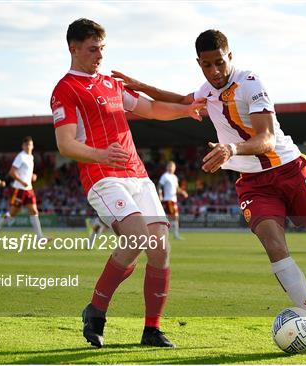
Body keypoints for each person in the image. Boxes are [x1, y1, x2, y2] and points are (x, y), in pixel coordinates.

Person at [112, 29, 306, 354]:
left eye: (219, 63)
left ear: (229, 56)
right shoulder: (207, 89)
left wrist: (230, 150)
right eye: (207, 65)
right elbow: (182, 100)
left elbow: (265, 139)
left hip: (289, 170)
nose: (215, 71)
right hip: (253, 183)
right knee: (274, 246)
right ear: (199, 64)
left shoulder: (251, 83)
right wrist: (141, 86)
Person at [50, 18, 205, 348]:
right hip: (101, 175)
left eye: (102, 49)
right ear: (73, 49)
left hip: (137, 175)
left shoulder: (111, 84)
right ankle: (96, 311)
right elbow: (65, 144)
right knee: (136, 236)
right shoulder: (65, 89)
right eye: (93, 49)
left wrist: (185, 109)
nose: (100, 56)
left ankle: (152, 330)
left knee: (160, 248)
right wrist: (101, 155)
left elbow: (149, 109)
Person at [0, 136, 45, 239]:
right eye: (26, 145)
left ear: (32, 146)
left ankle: (40, 237)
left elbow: (24, 172)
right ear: (23, 146)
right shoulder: (21, 157)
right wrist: (22, 181)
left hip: (29, 189)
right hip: (19, 189)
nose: (28, 147)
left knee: (34, 211)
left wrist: (32, 176)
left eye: (30, 144)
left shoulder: (31, 157)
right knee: (12, 213)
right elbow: (12, 172)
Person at [158, 161, 188, 240]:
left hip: (174, 200)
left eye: (173, 167)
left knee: (173, 217)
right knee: (173, 217)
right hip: (168, 199)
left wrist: (183, 192)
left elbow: (177, 189)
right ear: (167, 167)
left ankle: (172, 234)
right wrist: (160, 195)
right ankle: (169, 234)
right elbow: (159, 186)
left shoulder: (174, 177)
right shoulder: (165, 176)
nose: (172, 168)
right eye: (170, 166)